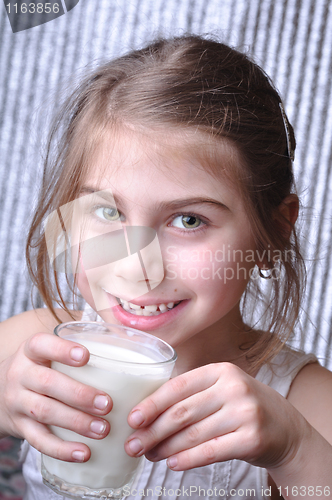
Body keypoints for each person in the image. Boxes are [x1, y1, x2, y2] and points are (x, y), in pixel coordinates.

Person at [0, 34, 331, 500]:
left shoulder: (305, 404)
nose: (138, 268)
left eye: (188, 220)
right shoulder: (32, 349)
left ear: (273, 231)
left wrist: (296, 452)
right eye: (109, 212)